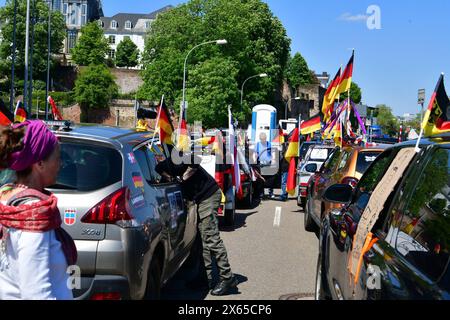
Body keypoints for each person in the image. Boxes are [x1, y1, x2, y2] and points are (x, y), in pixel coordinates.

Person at [0, 120, 77, 300]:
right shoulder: (33, 215)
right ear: (39, 163)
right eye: (58, 158)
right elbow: (36, 293)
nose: (61, 164)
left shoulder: (6, 198)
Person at [155, 150, 238, 296]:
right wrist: (170, 178)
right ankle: (206, 278)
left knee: (211, 238)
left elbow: (197, 158)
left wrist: (185, 175)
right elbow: (158, 169)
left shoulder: (179, 156)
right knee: (201, 242)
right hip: (199, 199)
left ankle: (227, 277)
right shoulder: (165, 165)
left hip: (208, 196)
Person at [254, 132, 274, 199]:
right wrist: (255, 159)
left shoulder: (269, 144)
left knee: (270, 179)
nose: (264, 140)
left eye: (264, 139)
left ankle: (270, 192)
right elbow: (256, 153)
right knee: (261, 179)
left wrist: (272, 160)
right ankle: (261, 193)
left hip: (268, 163)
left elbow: (271, 153)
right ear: (260, 139)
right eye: (262, 139)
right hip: (260, 164)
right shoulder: (257, 145)